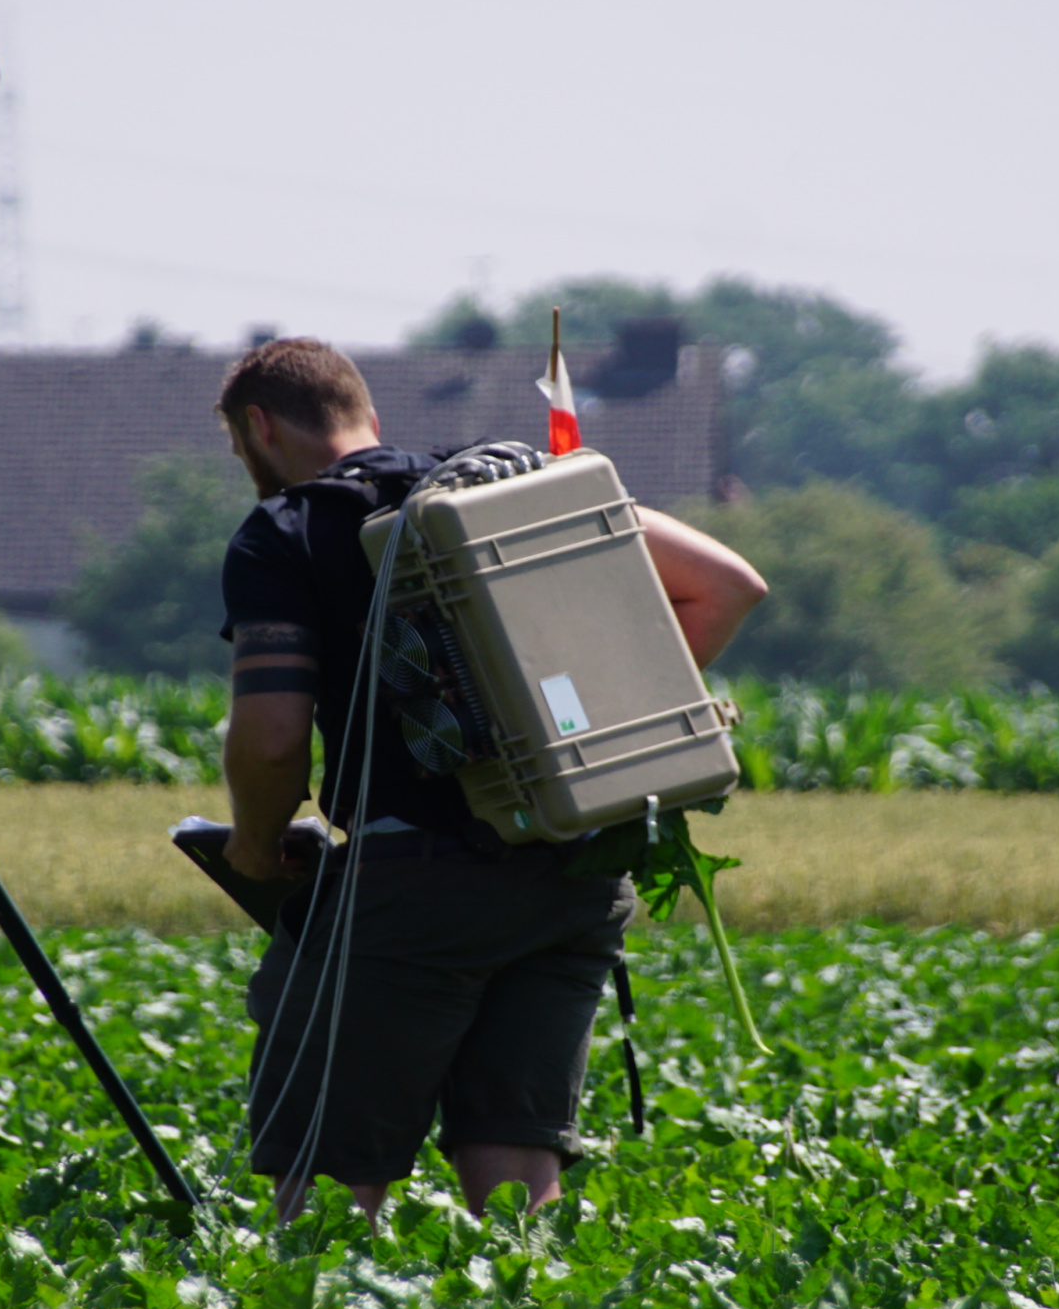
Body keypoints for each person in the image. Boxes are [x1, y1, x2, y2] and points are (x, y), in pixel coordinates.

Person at [211, 337, 767, 1223]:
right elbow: (727, 586)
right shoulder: (509, 486)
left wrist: (249, 840)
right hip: (573, 876)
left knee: (330, 1173)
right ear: (369, 418)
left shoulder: (286, 531)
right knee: (512, 1152)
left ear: (258, 427)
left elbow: (273, 741)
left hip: (417, 887)